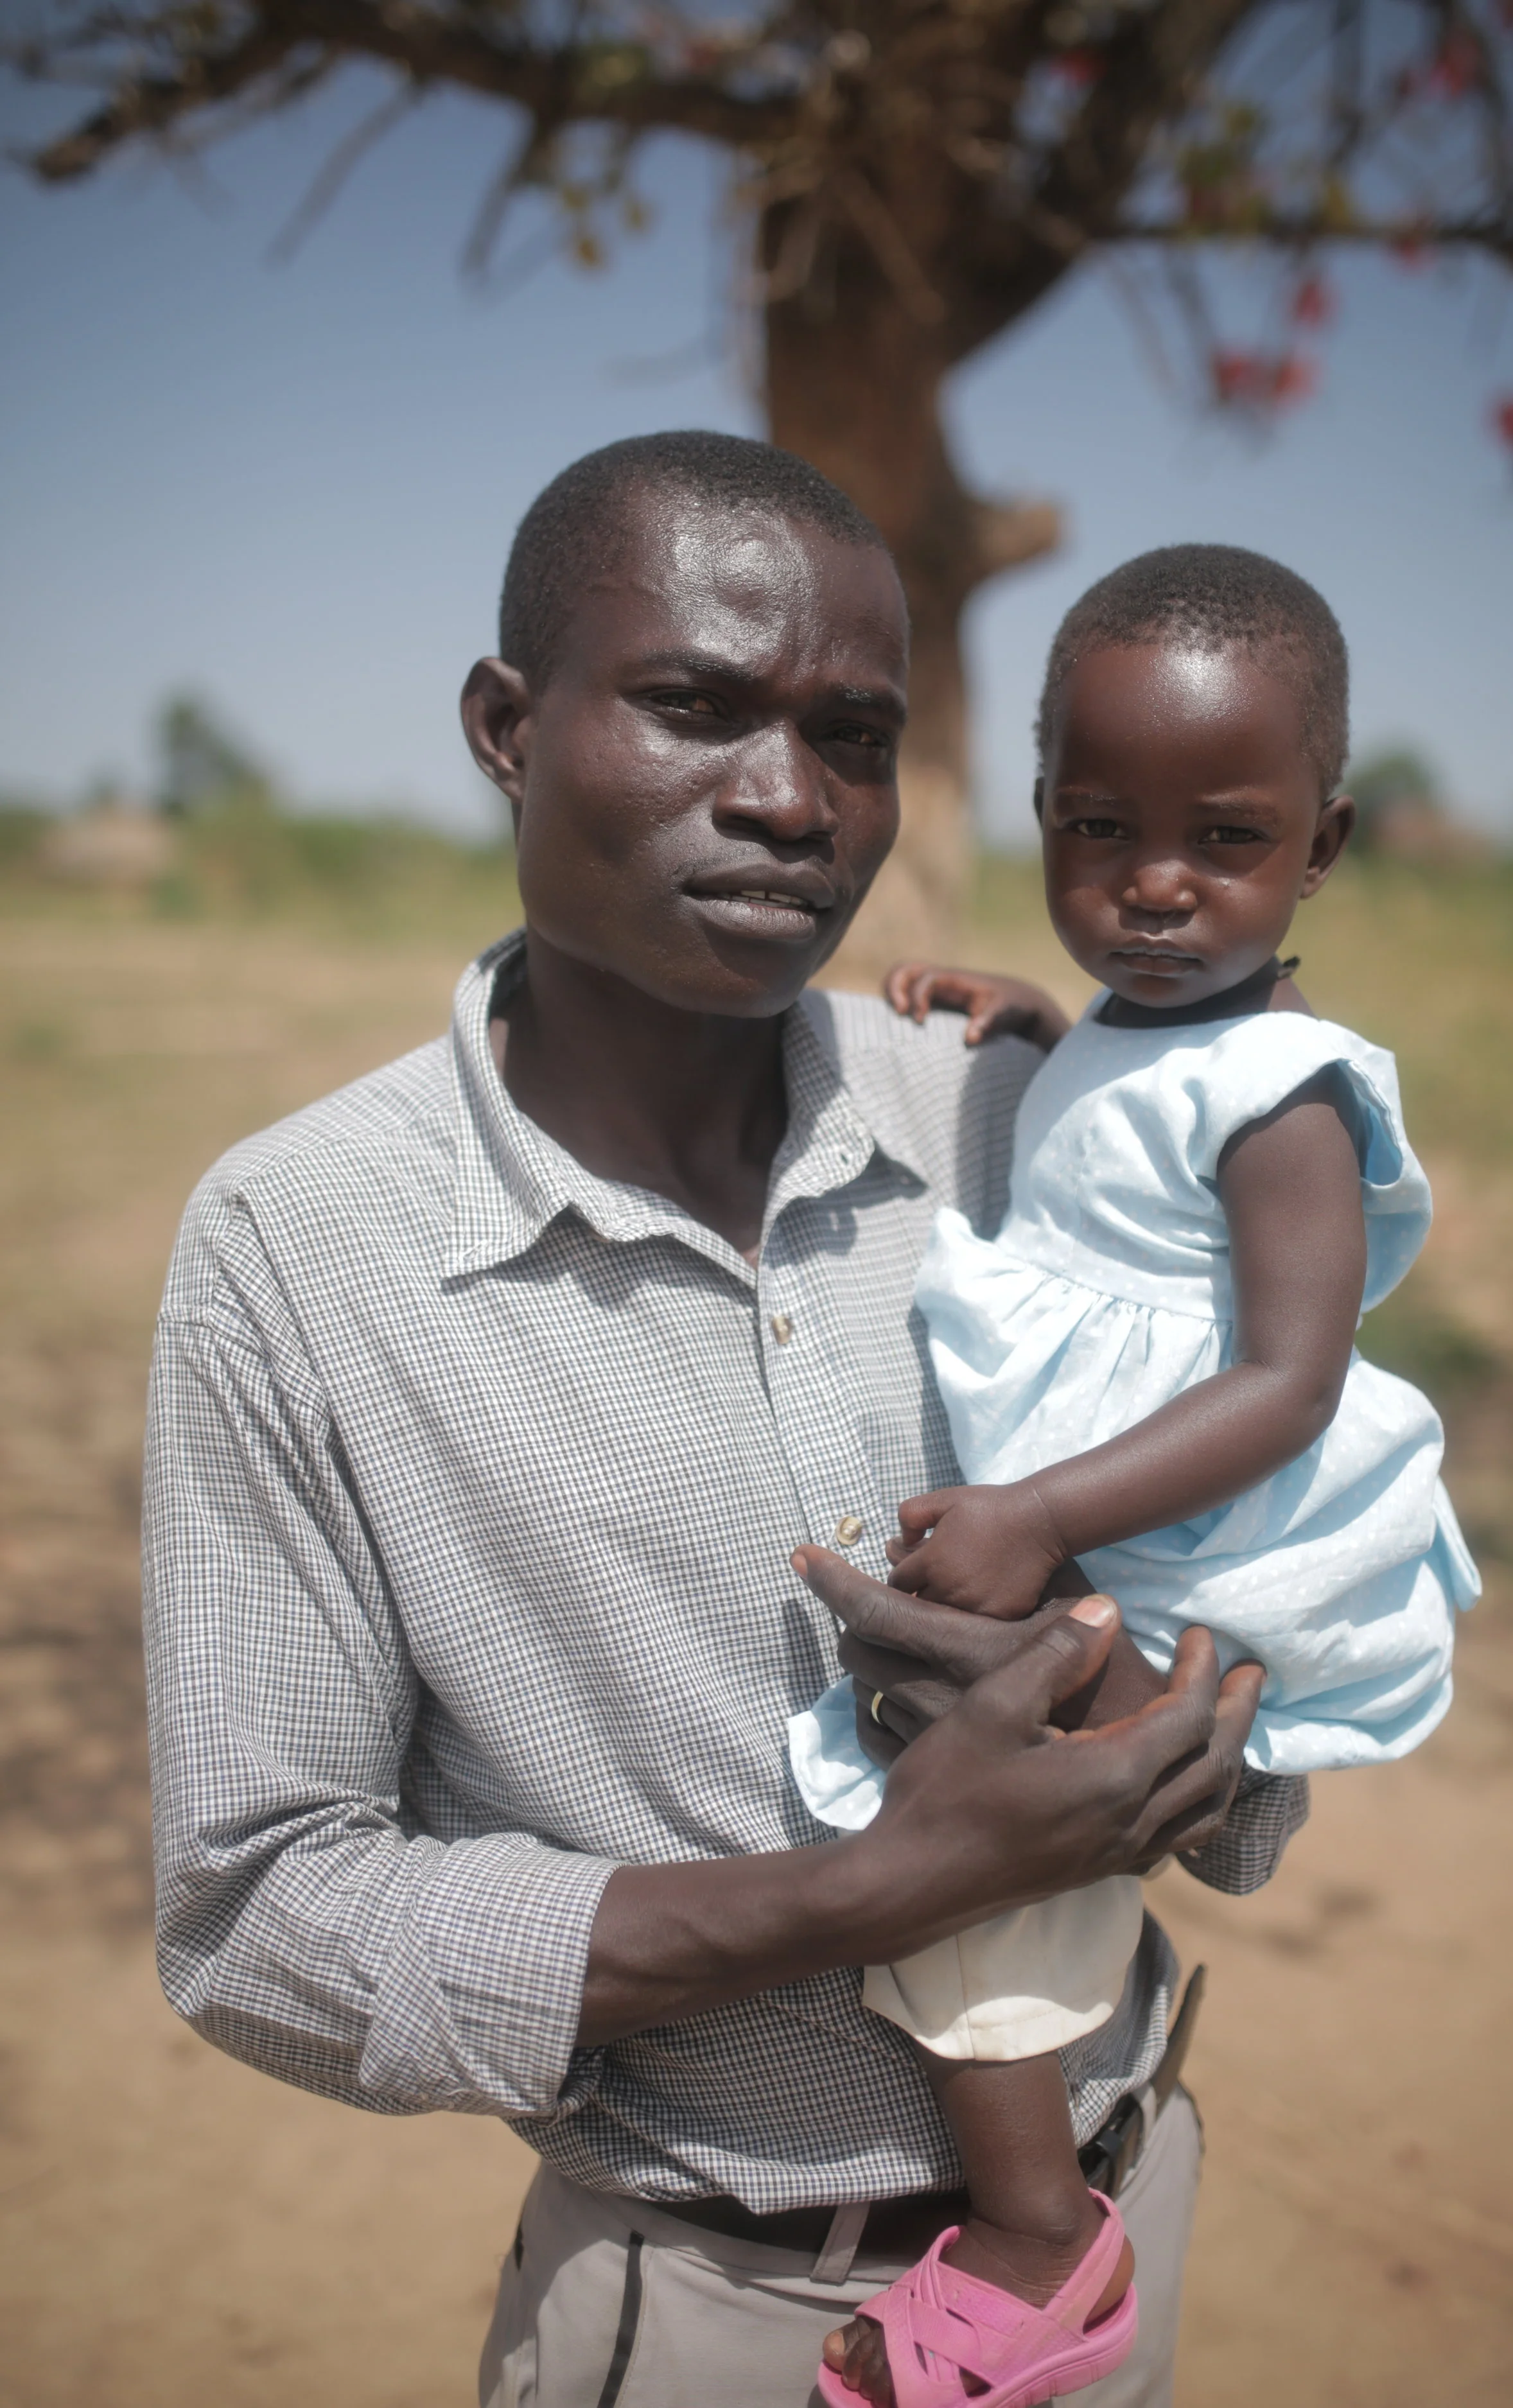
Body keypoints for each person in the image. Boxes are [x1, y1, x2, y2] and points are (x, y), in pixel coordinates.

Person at [143, 436, 1305, 2408]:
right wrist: (866, 1890)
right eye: (693, 706)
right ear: (508, 728)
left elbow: (1270, 1572)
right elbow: (262, 1908)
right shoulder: (299, 1246)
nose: (784, 799)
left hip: (1124, 2223)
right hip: (724, 2316)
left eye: (850, 733)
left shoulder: (1009, 1120)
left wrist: (1155, 1723)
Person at [790, 545, 1478, 2408]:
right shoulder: (1138, 1028)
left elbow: (1283, 1377)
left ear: (1322, 843)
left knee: (982, 1852)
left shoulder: (1291, 1096)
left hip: (1187, 1551)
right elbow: (1122, 1128)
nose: (1152, 885)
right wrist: (1040, 1021)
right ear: (1039, 817)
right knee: (958, 1829)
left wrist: (1039, 1514)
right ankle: (1031, 2186)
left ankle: (1034, 2232)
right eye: (1099, 831)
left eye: (1223, 840)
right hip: (1112, 1533)